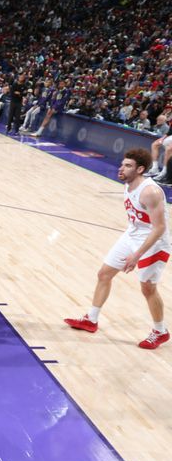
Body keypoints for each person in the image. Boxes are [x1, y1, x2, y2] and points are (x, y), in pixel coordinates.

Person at [64, 148, 171, 350]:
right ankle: (91, 319)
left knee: (148, 288)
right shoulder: (128, 184)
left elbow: (159, 228)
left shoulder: (150, 191)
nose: (121, 168)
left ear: (140, 169)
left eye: (128, 166)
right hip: (133, 234)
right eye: (122, 164)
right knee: (104, 274)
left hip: (155, 242)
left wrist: (136, 256)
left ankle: (160, 331)